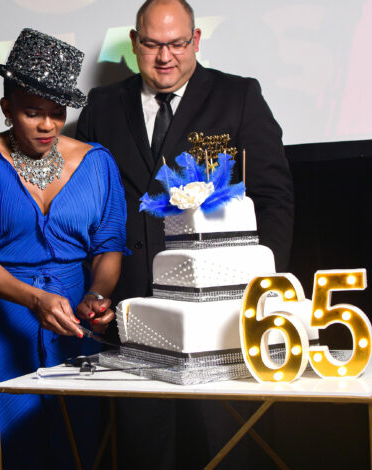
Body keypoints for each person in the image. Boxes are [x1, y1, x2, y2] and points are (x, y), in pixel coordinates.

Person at [75, 1, 295, 467]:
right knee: (143, 451)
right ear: (134, 43)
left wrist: (260, 287)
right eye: (152, 44)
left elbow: (274, 198)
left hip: (220, 314)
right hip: (134, 313)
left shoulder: (238, 96)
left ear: (196, 41)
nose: (165, 57)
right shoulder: (102, 106)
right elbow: (90, 210)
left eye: (176, 44)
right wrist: (96, 290)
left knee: (223, 448)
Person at [0, 28, 128, 469]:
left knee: (76, 446)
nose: (47, 125)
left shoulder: (97, 162)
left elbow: (108, 247)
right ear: (7, 109)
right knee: (2, 449)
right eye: (32, 112)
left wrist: (97, 294)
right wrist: (33, 298)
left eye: (57, 113)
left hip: (72, 323)